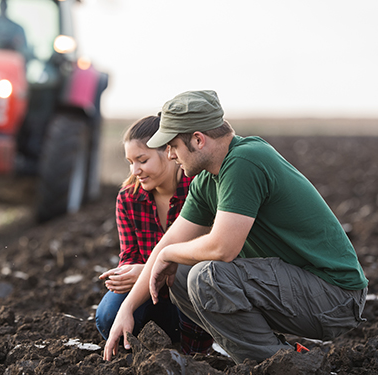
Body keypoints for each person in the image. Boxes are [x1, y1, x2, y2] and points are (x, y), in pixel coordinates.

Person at [103, 90, 368, 364]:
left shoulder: (245, 161)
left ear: (197, 140)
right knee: (180, 274)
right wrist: (128, 309)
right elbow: (168, 243)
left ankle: (286, 365)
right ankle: (276, 357)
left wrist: (168, 255)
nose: (170, 155)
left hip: (334, 297)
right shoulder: (206, 180)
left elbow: (222, 248)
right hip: (297, 288)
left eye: (173, 146)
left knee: (207, 276)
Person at [96, 115, 214, 355]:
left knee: (189, 277)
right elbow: (129, 255)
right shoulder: (128, 197)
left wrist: (152, 271)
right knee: (108, 315)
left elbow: (210, 253)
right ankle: (144, 350)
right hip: (151, 296)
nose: (135, 170)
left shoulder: (198, 188)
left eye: (142, 160)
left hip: (193, 294)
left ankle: (194, 354)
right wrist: (132, 272)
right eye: (130, 162)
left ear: (169, 152)